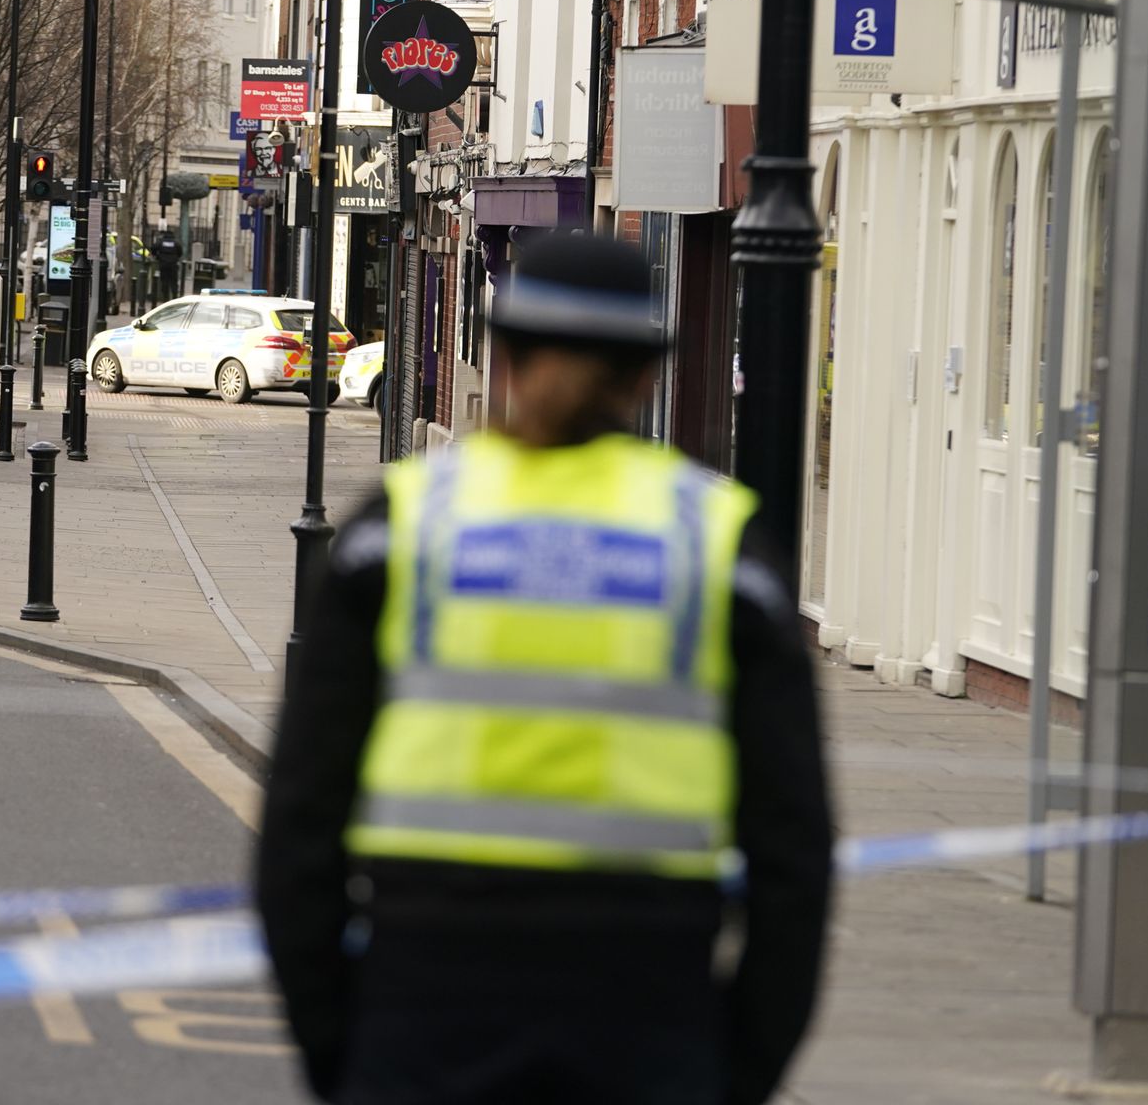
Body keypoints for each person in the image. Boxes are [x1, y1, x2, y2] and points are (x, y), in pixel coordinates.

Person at [255, 233, 834, 1105]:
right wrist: (731, 1069)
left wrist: (344, 1050)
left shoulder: (400, 531)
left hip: (424, 1012)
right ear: (647, 374)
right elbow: (796, 859)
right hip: (648, 1019)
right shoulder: (719, 549)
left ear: (506, 358)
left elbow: (300, 831)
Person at [151, 230, 181, 307]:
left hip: (163, 264)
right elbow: (180, 252)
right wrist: (175, 258)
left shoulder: (161, 242)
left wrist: (157, 256)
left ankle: (165, 299)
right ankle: (175, 299)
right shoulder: (175, 243)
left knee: (165, 282)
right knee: (173, 282)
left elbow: (153, 248)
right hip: (173, 265)